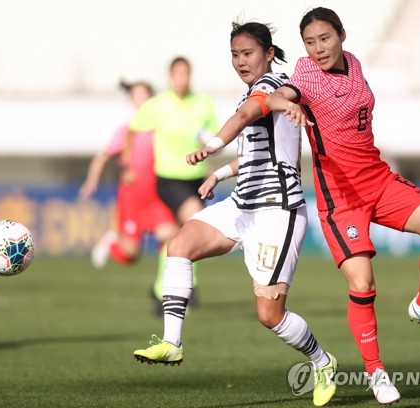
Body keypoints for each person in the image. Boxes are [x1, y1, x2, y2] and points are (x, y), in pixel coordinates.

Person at [132, 22, 337, 407]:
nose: (241, 61)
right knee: (179, 245)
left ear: (269, 53)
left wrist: (210, 148)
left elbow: (244, 118)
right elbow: (257, 155)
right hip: (242, 205)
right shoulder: (257, 91)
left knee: (270, 315)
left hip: (278, 212)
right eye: (235, 54)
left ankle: (322, 361)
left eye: (248, 53)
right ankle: (172, 342)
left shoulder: (273, 84)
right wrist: (221, 173)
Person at [265, 7, 420, 405]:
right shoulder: (306, 75)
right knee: (363, 285)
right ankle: (376, 373)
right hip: (341, 197)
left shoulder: (353, 63)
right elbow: (278, 95)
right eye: (310, 42)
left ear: (342, 35)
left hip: (378, 179)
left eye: (325, 38)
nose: (318, 48)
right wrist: (284, 103)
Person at [126, 57, 220, 308]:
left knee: (178, 235)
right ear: (170, 76)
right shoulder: (159, 105)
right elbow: (132, 128)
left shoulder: (203, 104)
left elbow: (216, 138)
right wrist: (127, 165)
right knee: (195, 221)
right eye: (177, 74)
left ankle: (163, 289)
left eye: (186, 73)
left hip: (196, 179)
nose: (182, 78)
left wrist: (208, 145)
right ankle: (188, 286)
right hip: (168, 179)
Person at [79, 81, 178, 311]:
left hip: (157, 196)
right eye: (136, 95)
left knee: (172, 236)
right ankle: (112, 241)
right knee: (131, 255)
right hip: (132, 198)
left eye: (145, 95)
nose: (141, 100)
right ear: (131, 100)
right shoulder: (126, 131)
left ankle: (165, 288)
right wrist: (92, 180)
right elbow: (102, 157)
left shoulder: (161, 129)